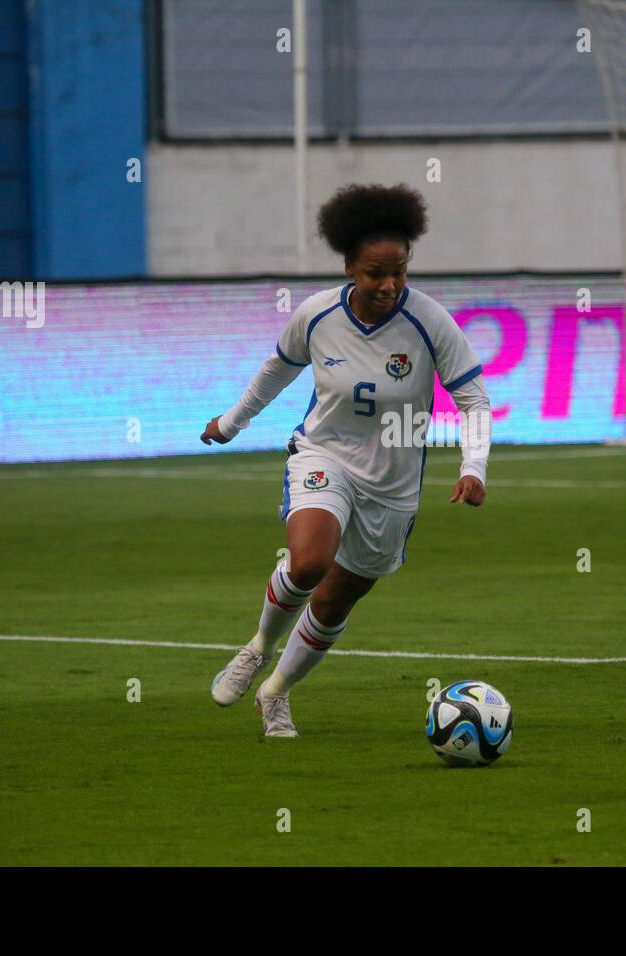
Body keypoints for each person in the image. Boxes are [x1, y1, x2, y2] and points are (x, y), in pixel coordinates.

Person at [200, 182, 492, 737]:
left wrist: (473, 467)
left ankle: (276, 692)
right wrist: (231, 422)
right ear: (349, 267)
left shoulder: (431, 324)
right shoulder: (316, 315)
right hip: (323, 454)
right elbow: (276, 371)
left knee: (337, 600)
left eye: (399, 272)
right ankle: (258, 646)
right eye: (374, 273)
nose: (388, 285)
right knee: (309, 563)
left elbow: (473, 400)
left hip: (393, 485)